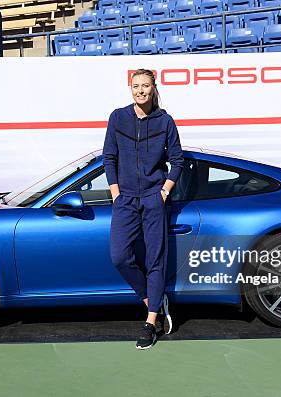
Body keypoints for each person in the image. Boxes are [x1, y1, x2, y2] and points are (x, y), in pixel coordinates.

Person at [102, 69, 184, 349]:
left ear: (153, 88)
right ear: (130, 89)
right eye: (136, 86)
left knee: (155, 260)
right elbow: (109, 157)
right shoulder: (118, 117)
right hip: (124, 199)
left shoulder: (165, 121)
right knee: (119, 256)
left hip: (153, 198)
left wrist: (163, 192)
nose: (141, 91)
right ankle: (154, 299)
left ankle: (150, 322)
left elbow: (178, 161)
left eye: (145, 86)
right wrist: (115, 192)